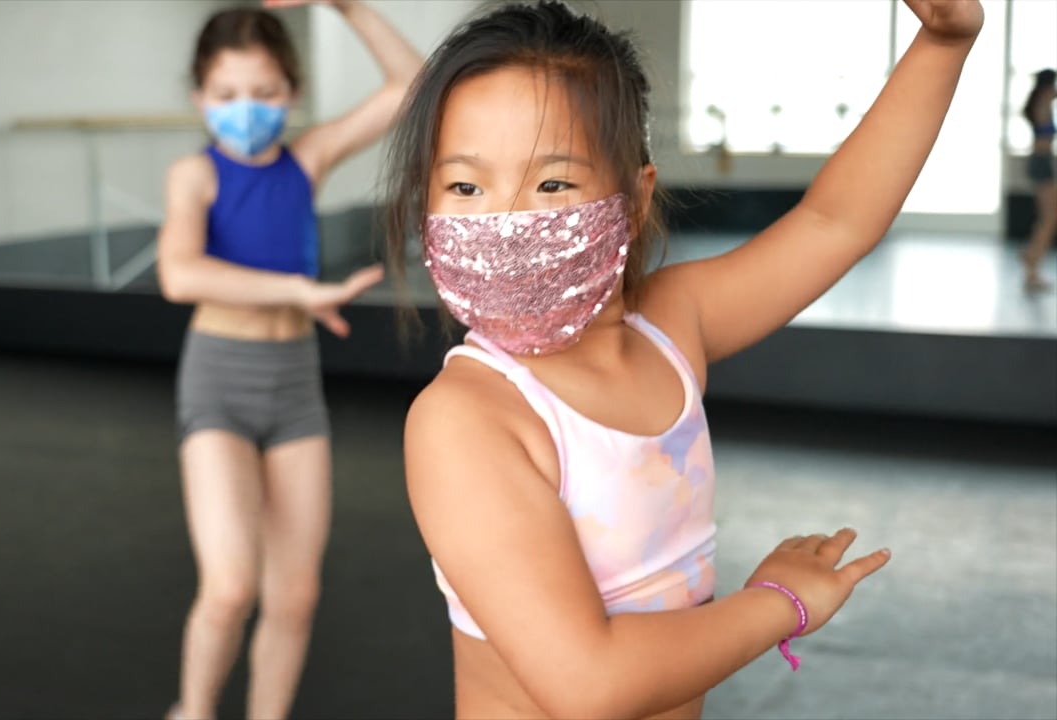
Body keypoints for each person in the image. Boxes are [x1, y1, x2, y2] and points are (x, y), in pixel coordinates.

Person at [386, 1, 981, 718]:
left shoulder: (671, 325)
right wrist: (779, 603)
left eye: (552, 184)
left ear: (635, 199)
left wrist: (944, 43)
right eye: (465, 187)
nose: (506, 219)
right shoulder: (466, 420)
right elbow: (588, 683)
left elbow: (836, 222)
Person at [155, 1, 421, 718]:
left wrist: (347, 5)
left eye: (265, 92)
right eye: (227, 93)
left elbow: (411, 86)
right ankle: (193, 711)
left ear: (292, 93)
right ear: (199, 98)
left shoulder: (305, 160)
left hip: (294, 385)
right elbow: (180, 273)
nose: (246, 108)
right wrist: (299, 291)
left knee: (296, 595)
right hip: (219, 380)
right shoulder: (194, 176)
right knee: (231, 587)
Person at [1021, 68, 1056, 291]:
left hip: (1042, 162)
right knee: (1049, 218)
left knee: (1047, 217)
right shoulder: (1042, 102)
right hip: (1042, 163)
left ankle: (1031, 257)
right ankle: (1031, 266)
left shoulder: (1040, 101)